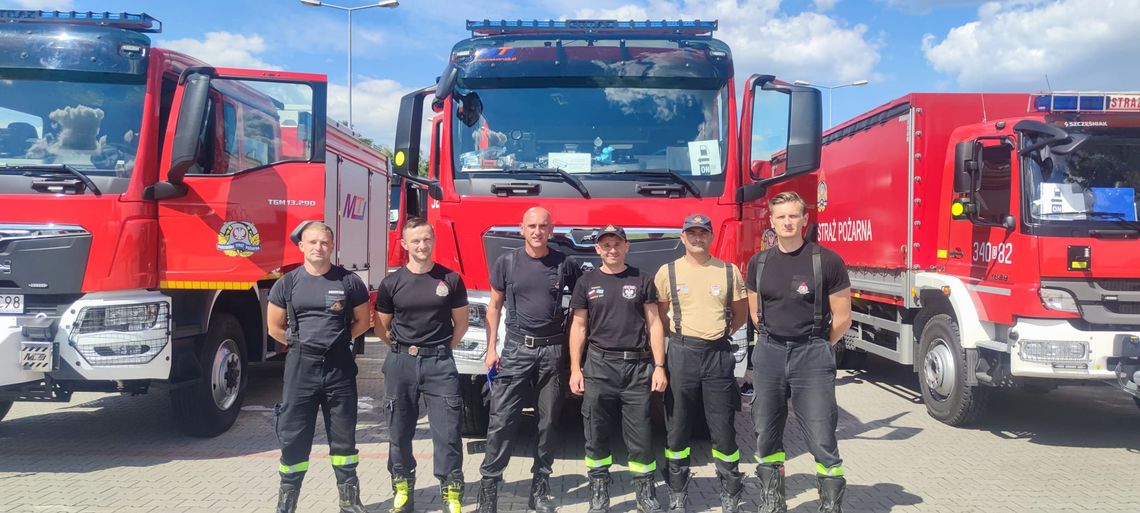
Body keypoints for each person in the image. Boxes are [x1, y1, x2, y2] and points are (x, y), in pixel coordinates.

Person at [746, 191, 852, 513]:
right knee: (765, 431)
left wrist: (818, 347)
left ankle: (830, 505)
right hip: (769, 353)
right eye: (781, 217)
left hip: (813, 354)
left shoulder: (827, 260)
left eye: (794, 216)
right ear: (772, 221)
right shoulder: (759, 262)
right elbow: (755, 314)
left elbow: (843, 318)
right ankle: (772, 500)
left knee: (822, 434)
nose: (788, 222)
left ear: (805, 220)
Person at [476, 206, 582, 513]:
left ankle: (540, 488)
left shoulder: (566, 264)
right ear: (521, 229)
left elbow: (580, 310)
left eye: (543, 226)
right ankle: (488, 490)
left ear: (552, 230)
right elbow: (493, 307)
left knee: (548, 422)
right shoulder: (507, 263)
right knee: (501, 420)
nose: (537, 231)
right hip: (516, 350)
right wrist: (491, 348)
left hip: (552, 352)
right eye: (531, 226)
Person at [267, 221, 372, 513]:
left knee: (344, 438)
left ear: (332, 245)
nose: (318, 248)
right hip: (301, 367)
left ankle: (349, 502)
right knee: (294, 438)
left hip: (339, 367)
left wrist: (338, 342)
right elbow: (275, 327)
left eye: (324, 243)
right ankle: (286, 504)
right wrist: (304, 345)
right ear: (301, 246)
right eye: (312, 242)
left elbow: (364, 321)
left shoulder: (349, 281)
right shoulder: (286, 284)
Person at [568, 225, 668, 513]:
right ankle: (599, 491)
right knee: (595, 432)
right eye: (605, 245)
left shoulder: (642, 279)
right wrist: (576, 368)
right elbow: (579, 326)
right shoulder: (586, 282)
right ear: (597, 249)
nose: (611, 249)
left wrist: (659, 366)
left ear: (626, 246)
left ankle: (645, 493)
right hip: (599, 365)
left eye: (616, 244)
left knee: (641, 434)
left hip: (637, 367)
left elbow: (654, 324)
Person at [653, 213, 748, 513]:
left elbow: (741, 313)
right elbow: (660, 315)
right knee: (677, 427)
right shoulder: (667, 272)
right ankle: (677, 493)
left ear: (710, 237)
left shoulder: (729, 271)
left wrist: (718, 336)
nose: (697, 237)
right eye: (691, 233)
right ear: (682, 237)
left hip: (718, 355)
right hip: (682, 353)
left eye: (702, 232)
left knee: (723, 427)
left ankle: (730, 491)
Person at [374, 217, 469, 513]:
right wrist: (402, 351)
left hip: (440, 363)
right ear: (404, 244)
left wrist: (439, 350)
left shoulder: (450, 279)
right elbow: (381, 326)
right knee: (399, 430)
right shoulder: (391, 283)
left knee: (448, 431)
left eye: (426, 239)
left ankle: (451, 492)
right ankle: (402, 489)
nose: (422, 245)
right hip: (401, 362)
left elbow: (461, 324)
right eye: (415, 241)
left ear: (433, 240)